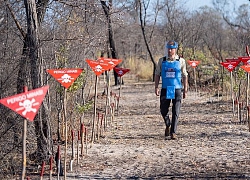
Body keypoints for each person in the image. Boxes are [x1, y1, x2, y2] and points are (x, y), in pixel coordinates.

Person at [154, 40, 188, 140]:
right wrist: (156, 87)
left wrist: (185, 89)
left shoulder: (181, 61)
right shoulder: (162, 60)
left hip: (177, 88)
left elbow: (185, 75)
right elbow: (157, 74)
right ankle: (167, 124)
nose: (169, 50)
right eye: (168, 48)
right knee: (163, 110)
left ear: (175, 49)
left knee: (176, 110)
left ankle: (173, 132)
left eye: (172, 49)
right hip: (166, 88)